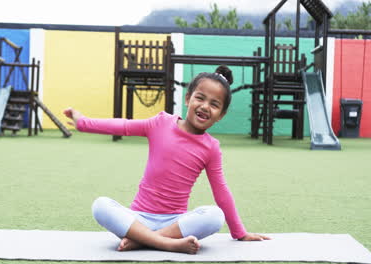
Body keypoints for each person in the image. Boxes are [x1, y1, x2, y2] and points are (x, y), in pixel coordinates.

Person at [63, 65, 270, 255]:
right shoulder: (160, 123)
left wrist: (239, 232)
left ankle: (142, 241)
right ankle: (165, 243)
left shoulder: (211, 147)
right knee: (101, 205)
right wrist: (83, 123)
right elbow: (123, 125)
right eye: (200, 98)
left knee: (215, 216)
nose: (205, 106)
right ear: (188, 99)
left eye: (214, 104)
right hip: (138, 219)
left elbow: (221, 191)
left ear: (221, 115)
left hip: (175, 223)